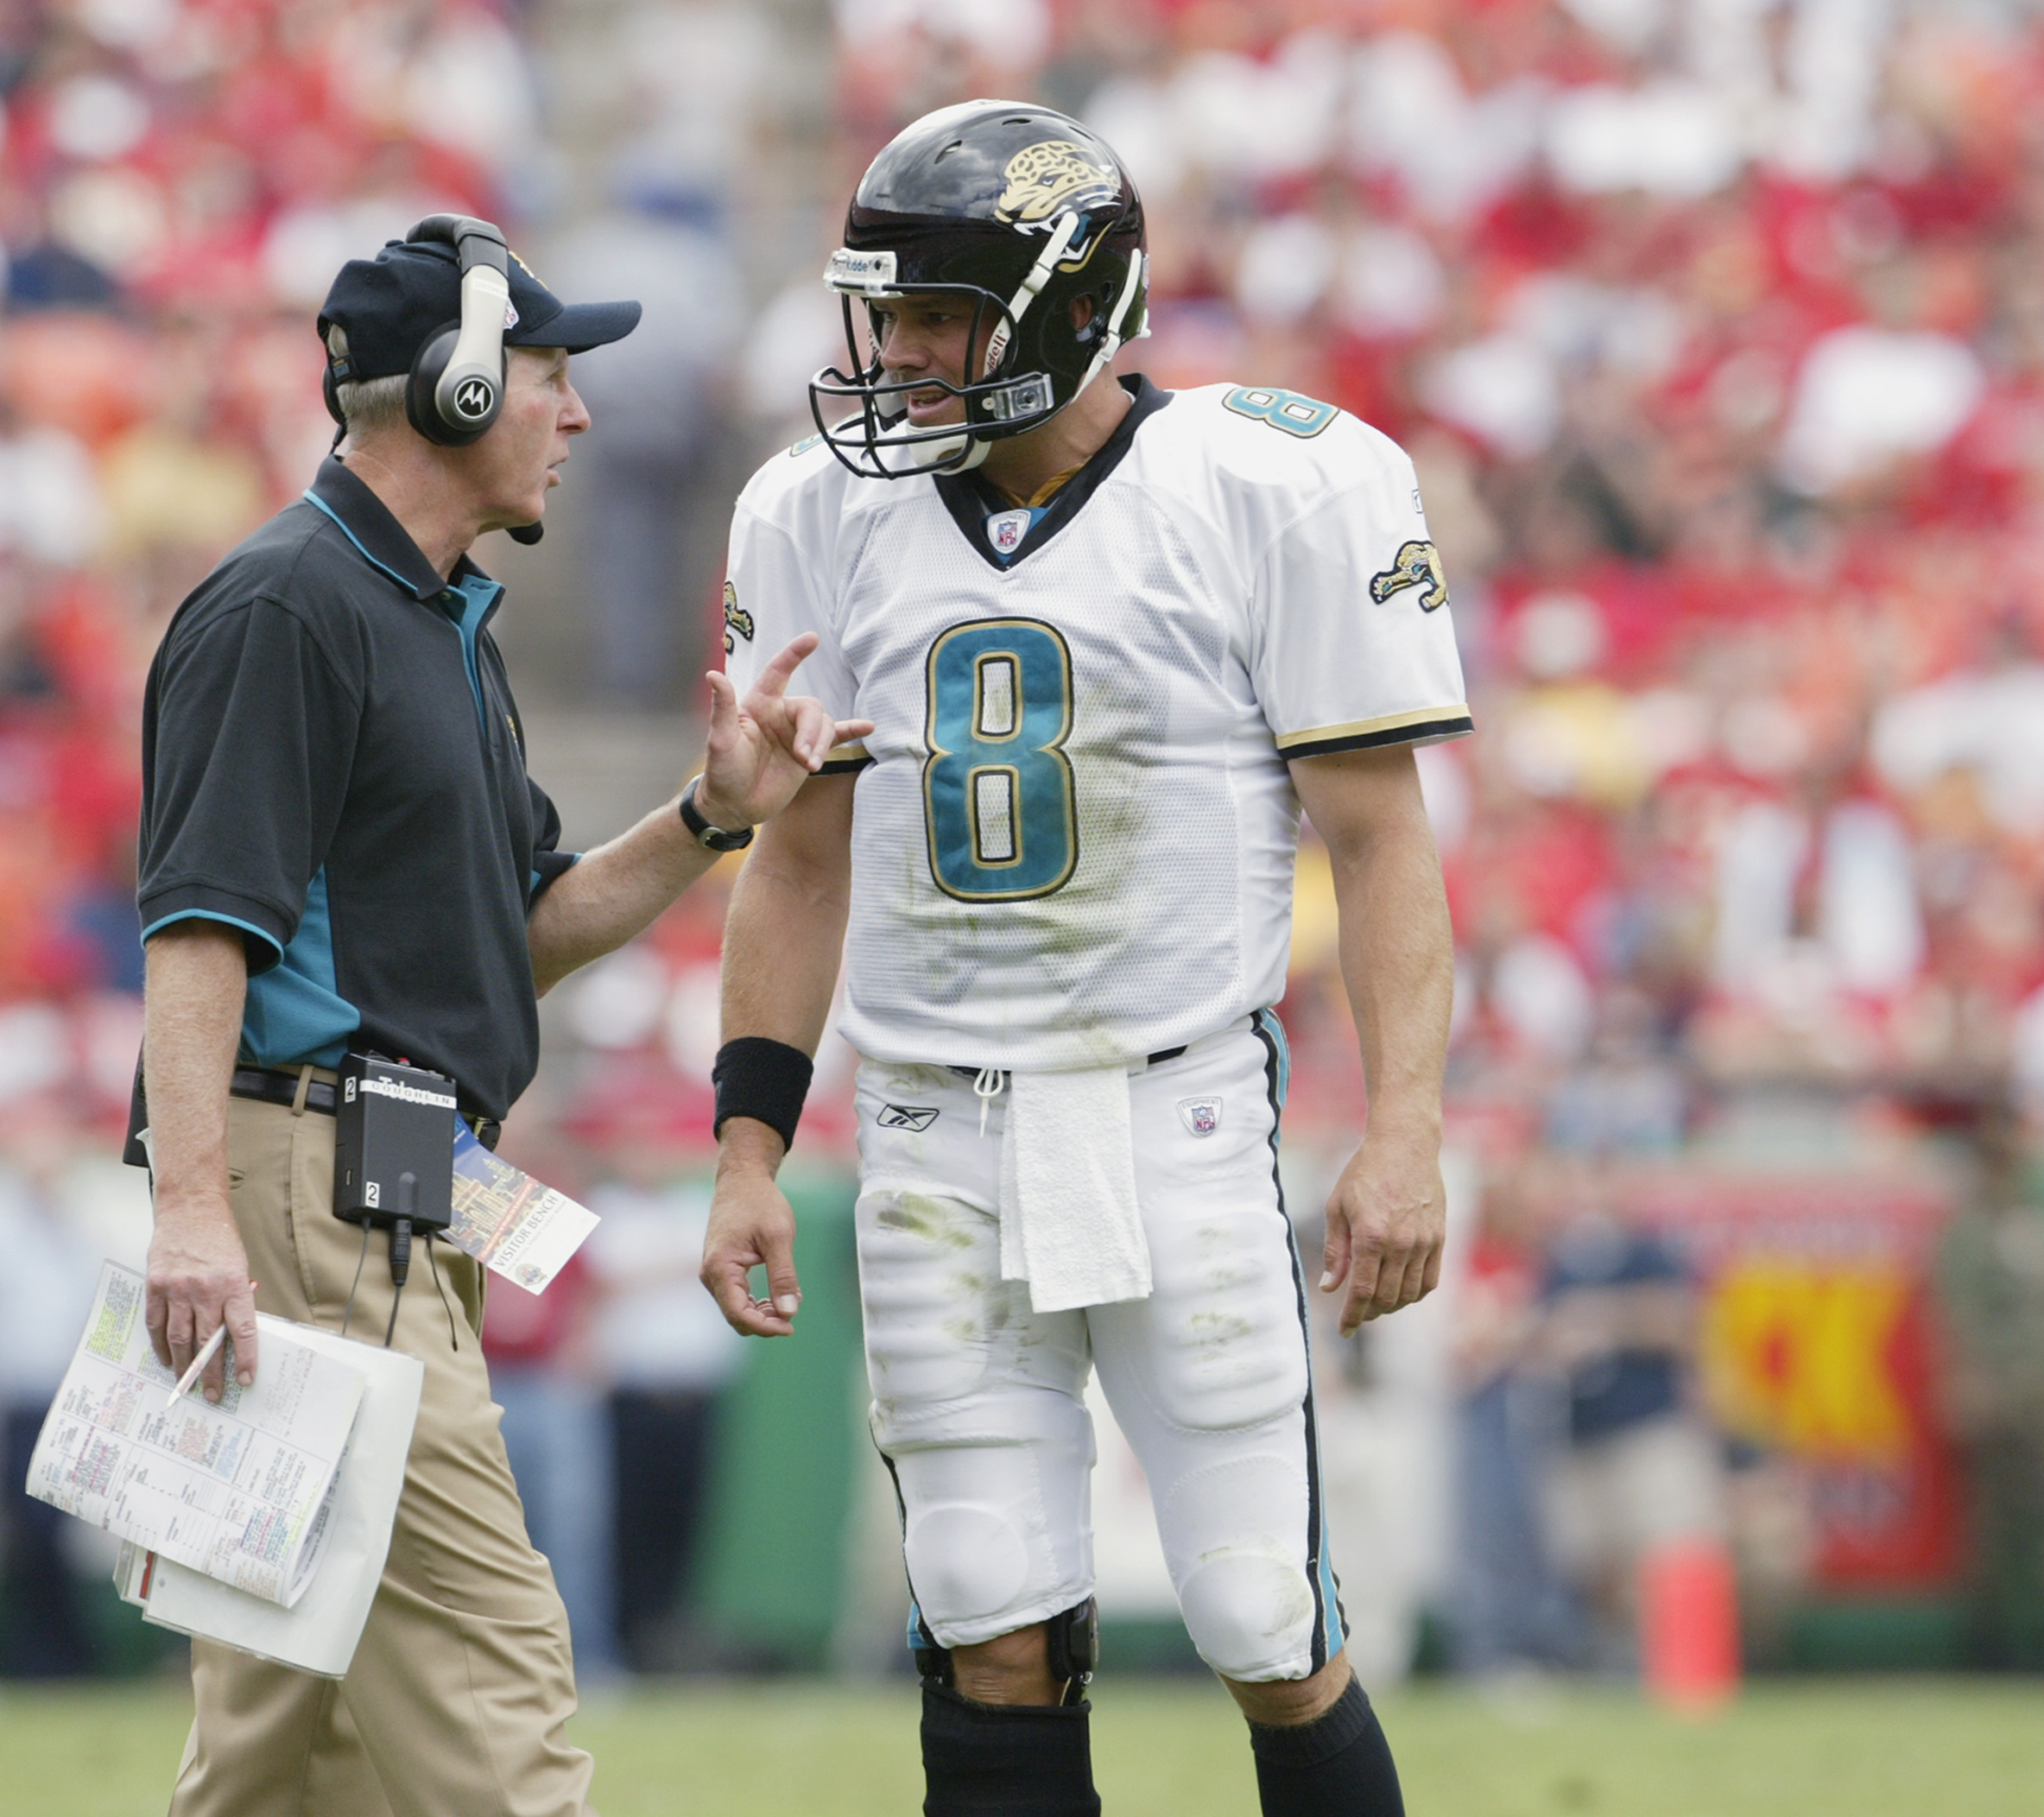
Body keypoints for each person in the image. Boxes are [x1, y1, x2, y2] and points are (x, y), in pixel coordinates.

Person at [698, 105, 1465, 1817]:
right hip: (925, 1123)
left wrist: (1402, 1126)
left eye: (939, 314)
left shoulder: (1272, 483)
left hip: (1172, 1101)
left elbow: (1381, 839)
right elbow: (797, 852)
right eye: (881, 313)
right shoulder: (810, 509)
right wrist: (749, 1141)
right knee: (981, 1601)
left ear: (1073, 305)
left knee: (1264, 1605)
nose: (895, 353)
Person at [135, 215, 868, 1817]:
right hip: (313, 1204)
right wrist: (191, 1213)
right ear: (457, 390)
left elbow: (510, 938)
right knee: (497, 1705)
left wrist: (707, 817)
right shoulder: (287, 608)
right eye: (549, 372)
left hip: (371, 1191)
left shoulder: (431, 618)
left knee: (283, 1754)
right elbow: (197, 934)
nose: (580, 411)